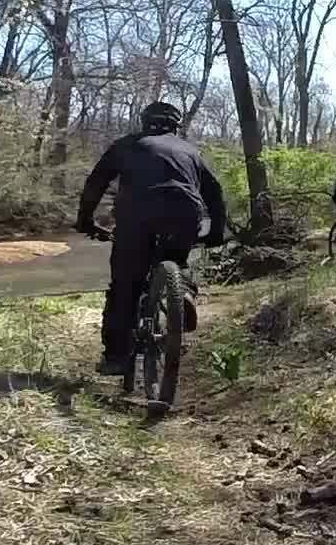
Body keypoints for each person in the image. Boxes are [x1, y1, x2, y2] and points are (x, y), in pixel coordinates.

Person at [76, 101, 228, 375]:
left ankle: (116, 358)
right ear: (175, 126)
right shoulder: (190, 151)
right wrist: (216, 231)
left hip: (136, 215)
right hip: (185, 214)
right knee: (176, 260)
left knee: (124, 286)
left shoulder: (127, 144)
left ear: (145, 122)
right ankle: (183, 291)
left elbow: (96, 183)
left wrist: (85, 220)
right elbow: (214, 193)